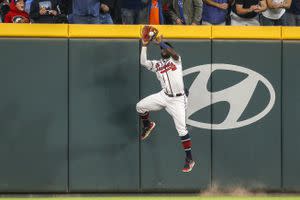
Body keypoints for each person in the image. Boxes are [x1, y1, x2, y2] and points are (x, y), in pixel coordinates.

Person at [137, 35, 195, 173]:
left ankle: (190, 159)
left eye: (167, 48)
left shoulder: (176, 60)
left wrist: (161, 43)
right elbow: (143, 62)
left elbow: (173, 53)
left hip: (178, 100)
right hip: (164, 96)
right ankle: (148, 125)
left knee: (182, 130)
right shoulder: (157, 64)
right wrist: (144, 45)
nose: (164, 50)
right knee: (140, 106)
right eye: (163, 49)